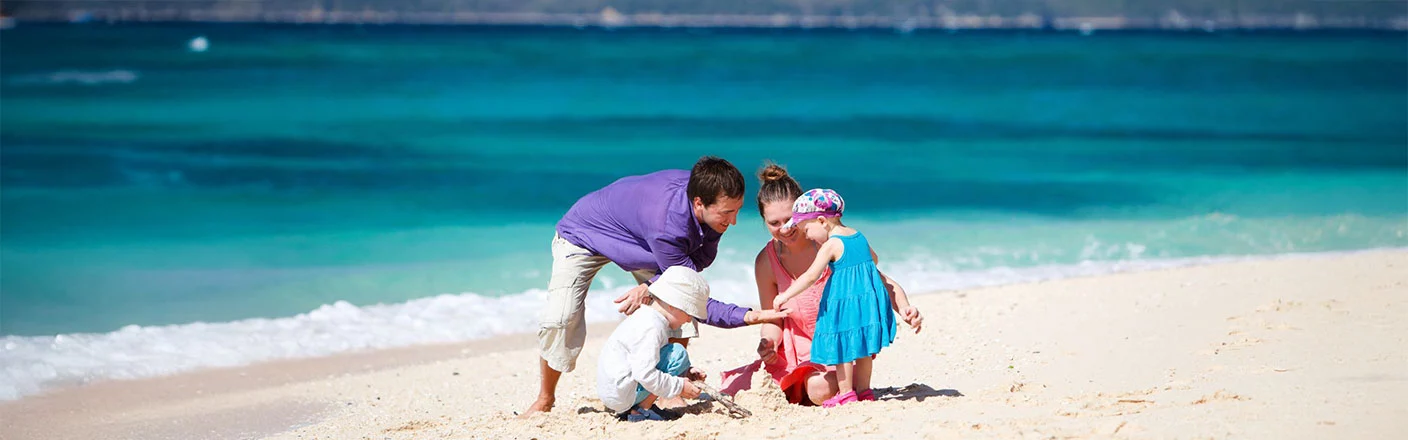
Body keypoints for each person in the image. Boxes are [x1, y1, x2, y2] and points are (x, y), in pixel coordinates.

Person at [524, 156, 788, 416]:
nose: (733, 221)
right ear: (698, 203)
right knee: (562, 317)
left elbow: (697, 265)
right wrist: (747, 315)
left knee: (680, 301)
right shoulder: (668, 226)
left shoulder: (712, 199)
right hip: (584, 234)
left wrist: (652, 285)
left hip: (642, 244)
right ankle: (545, 399)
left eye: (738, 210)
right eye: (727, 213)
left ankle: (669, 390)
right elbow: (688, 287)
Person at [721, 163, 922, 406]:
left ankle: (852, 382)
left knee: (820, 388)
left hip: (835, 343)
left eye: (790, 220)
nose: (785, 229)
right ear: (763, 221)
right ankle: (850, 383)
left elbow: (877, 281)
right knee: (742, 388)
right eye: (774, 223)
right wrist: (770, 342)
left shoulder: (830, 246)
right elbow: (773, 318)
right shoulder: (766, 262)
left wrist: (904, 309)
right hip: (798, 350)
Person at [772, 188, 923, 407]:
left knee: (842, 348)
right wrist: (905, 306)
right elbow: (875, 262)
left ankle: (845, 393)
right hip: (866, 305)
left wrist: (784, 295)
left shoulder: (832, 244)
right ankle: (864, 391)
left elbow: (811, 275)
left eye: (807, 229)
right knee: (863, 350)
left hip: (844, 305)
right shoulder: (859, 237)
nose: (807, 236)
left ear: (822, 221)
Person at [596, 266, 712, 422]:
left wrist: (684, 372)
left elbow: (649, 360)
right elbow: (644, 373)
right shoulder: (652, 327)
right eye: (688, 313)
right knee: (677, 353)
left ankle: (642, 405)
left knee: (675, 355)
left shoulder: (647, 317)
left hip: (616, 390)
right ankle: (641, 410)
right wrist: (679, 386)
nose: (688, 320)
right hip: (622, 394)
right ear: (673, 304)